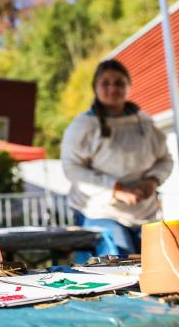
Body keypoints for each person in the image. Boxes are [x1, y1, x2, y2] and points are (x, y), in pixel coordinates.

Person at [61, 59, 172, 255]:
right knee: (120, 261)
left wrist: (152, 181)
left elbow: (165, 159)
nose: (113, 88)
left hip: (145, 213)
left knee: (158, 265)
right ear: (95, 88)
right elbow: (72, 168)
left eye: (119, 83)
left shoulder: (145, 123)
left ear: (128, 87)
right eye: (106, 83)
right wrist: (116, 189)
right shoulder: (83, 126)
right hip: (100, 212)